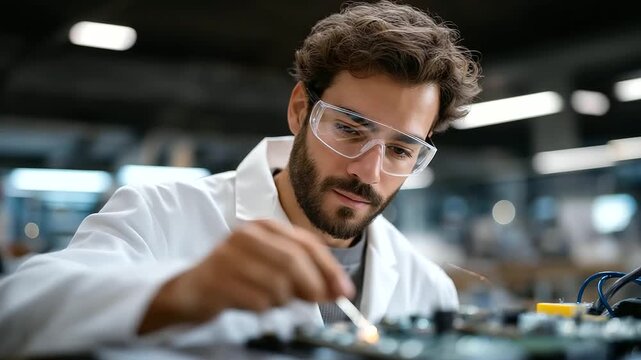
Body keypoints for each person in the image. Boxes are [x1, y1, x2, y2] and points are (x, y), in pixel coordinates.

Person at [0, 0, 481, 356]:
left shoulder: (428, 286)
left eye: (400, 150)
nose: (367, 171)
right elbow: (16, 313)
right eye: (350, 130)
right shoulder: (162, 215)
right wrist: (181, 292)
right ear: (300, 111)